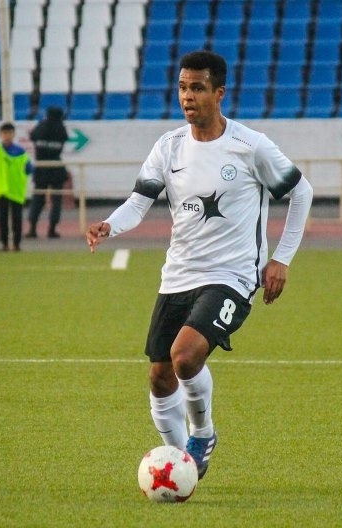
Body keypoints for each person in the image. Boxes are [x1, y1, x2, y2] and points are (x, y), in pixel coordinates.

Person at [86, 50, 313, 480]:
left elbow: (301, 192)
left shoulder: (250, 147)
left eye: (197, 88)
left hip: (233, 276)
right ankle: (180, 465)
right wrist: (109, 225)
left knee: (185, 357)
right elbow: (139, 201)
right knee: (160, 376)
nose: (187, 97)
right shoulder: (169, 146)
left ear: (219, 92)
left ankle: (203, 433)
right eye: (182, 87)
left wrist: (281, 258)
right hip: (178, 275)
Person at [26, 106, 70, 238]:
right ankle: (52, 229)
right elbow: (65, 139)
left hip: (41, 166)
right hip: (56, 166)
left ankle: (32, 229)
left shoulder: (40, 127)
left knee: (38, 199)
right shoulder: (61, 129)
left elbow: (32, 136)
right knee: (56, 200)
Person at [0, 122, 33, 251]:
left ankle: (16, 243)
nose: (7, 136)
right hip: (2, 190)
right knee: (2, 218)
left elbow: (29, 168)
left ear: (13, 134)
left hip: (16, 190)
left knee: (17, 218)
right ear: (0, 134)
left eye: (9, 133)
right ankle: (4, 243)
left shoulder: (21, 152)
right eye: (4, 133)